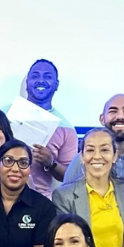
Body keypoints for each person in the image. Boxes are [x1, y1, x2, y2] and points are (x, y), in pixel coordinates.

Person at [53, 128, 124, 247]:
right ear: (82, 157)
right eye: (90, 150)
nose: (97, 156)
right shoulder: (64, 197)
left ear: (114, 156)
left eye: (104, 150)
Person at [66, 94, 124, 190]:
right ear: (102, 119)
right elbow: (65, 194)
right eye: (113, 111)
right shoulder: (83, 158)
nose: (120, 116)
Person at [21, 59, 78, 198]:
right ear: (27, 82)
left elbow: (70, 176)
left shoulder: (66, 128)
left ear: (56, 84)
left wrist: (51, 163)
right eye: (35, 76)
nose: (41, 80)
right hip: (0, 196)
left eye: (47, 76)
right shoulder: (4, 115)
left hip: (40, 200)